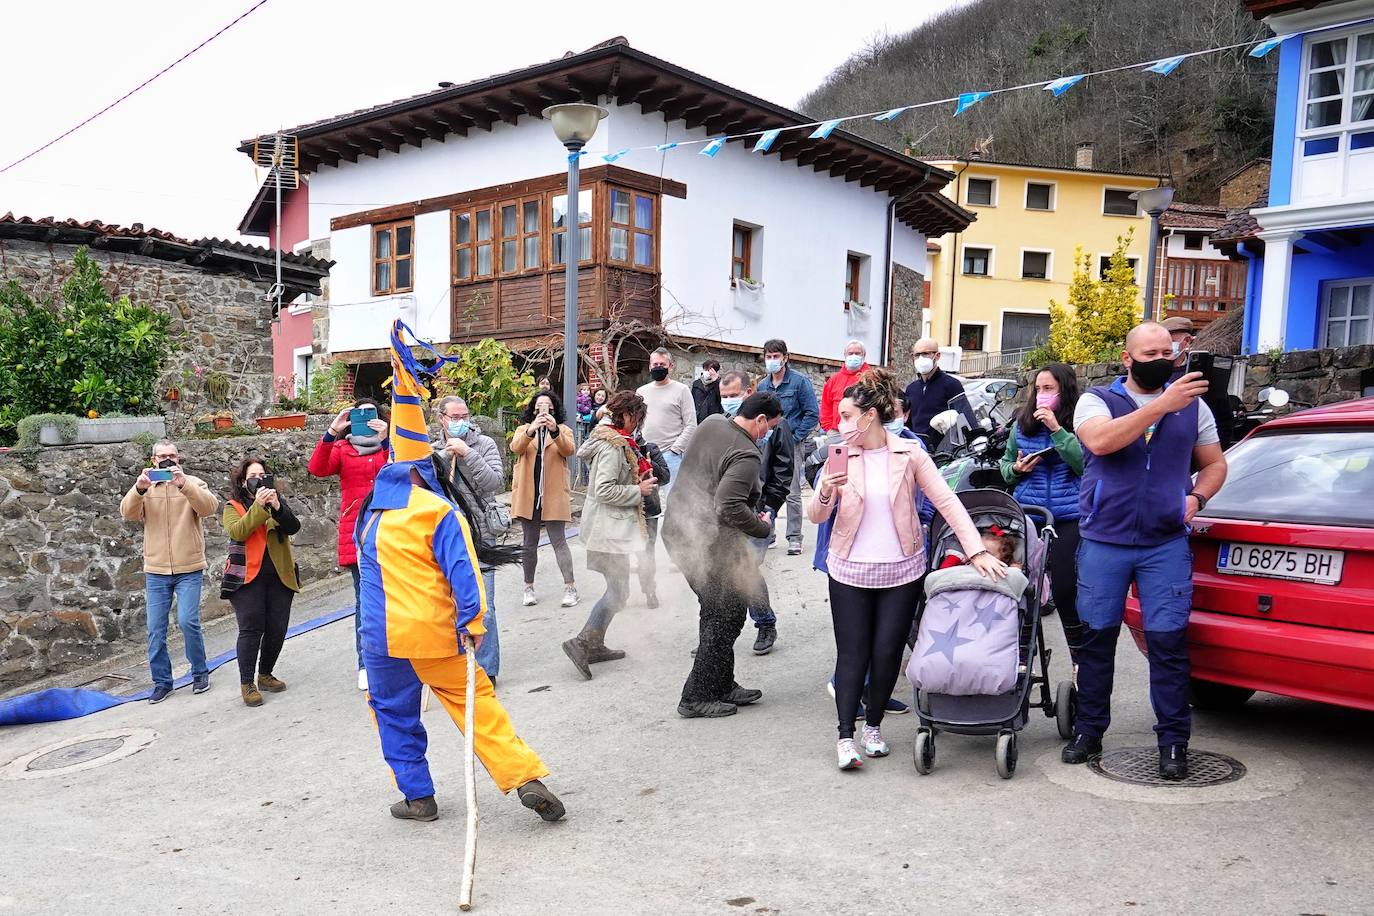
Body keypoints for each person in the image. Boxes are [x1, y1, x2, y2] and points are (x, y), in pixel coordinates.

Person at [359, 319, 563, 825]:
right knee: (479, 709)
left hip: (380, 638)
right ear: (426, 471)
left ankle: (418, 796)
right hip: (435, 634)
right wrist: (473, 625)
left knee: (392, 716)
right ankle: (524, 777)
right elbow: (466, 577)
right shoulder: (439, 511)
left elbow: (364, 586)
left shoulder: (369, 517)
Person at [807, 370, 1006, 770]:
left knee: (887, 653)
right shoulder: (840, 455)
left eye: (848, 416)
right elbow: (816, 516)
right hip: (849, 571)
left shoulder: (910, 453)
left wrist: (975, 551)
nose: (841, 425)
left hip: (902, 572)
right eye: (840, 417)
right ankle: (846, 737)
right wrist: (826, 485)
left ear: (871, 416)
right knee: (853, 654)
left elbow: (948, 501)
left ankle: (874, 728)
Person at [1062, 322, 1228, 780]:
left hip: (1164, 543)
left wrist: (1197, 499)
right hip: (1104, 542)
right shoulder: (1096, 400)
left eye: (1167, 352)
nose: (1161, 359)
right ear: (1128, 357)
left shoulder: (1193, 408)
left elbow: (1214, 463)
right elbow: (1100, 441)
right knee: (1097, 641)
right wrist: (1161, 405)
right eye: (1149, 352)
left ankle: (1174, 742)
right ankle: (1089, 731)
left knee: (1169, 645)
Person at [663, 392, 781, 718]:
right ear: (759, 420)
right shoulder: (746, 454)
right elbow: (727, 505)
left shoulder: (713, 422)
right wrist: (761, 529)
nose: (767, 435)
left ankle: (722, 684)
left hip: (679, 532)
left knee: (717, 610)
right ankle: (695, 696)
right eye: (769, 428)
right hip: (706, 543)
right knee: (725, 615)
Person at [562, 390, 660, 677]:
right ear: (627, 415)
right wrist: (637, 491)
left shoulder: (618, 442)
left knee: (618, 591)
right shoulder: (612, 447)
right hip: (607, 531)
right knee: (618, 591)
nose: (638, 425)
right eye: (637, 418)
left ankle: (595, 643)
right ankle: (581, 643)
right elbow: (603, 489)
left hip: (609, 529)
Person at [119, 439, 219, 704]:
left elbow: (209, 508)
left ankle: (199, 672)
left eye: (172, 456)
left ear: (179, 458)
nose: (167, 460)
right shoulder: (145, 486)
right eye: (162, 456)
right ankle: (162, 682)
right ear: (153, 460)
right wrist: (139, 489)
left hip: (189, 567)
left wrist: (183, 484)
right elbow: (128, 513)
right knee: (155, 628)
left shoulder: (192, 482)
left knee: (188, 621)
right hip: (156, 569)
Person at [999, 363, 1086, 664]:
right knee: (1021, 588)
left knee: (1065, 588)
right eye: (1038, 389)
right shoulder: (1021, 424)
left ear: (1065, 391)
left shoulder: (1080, 422)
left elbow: (1084, 465)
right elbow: (1006, 467)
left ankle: (1078, 660)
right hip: (1029, 514)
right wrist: (1016, 469)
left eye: (1049, 389)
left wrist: (1057, 431)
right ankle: (1020, 658)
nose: (1041, 395)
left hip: (1067, 515)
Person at [308, 398, 390, 691]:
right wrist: (332, 431)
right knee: (364, 600)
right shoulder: (342, 448)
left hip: (390, 529)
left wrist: (385, 439)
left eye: (371, 414)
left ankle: (400, 655)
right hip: (357, 534)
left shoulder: (387, 445)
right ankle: (366, 663)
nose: (365, 419)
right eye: (359, 415)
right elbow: (317, 468)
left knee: (398, 595)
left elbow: (399, 470)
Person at [433, 397, 506, 680]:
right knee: (452, 606)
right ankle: (458, 665)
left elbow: (494, 482)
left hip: (482, 534)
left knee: (484, 606)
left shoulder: (484, 444)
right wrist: (441, 459)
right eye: (454, 416)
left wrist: (468, 454)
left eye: (464, 415)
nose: (461, 420)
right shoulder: (433, 451)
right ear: (442, 419)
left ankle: (486, 669)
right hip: (450, 537)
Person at [719, 370, 791, 655]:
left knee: (745, 567)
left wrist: (770, 506)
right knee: (725, 569)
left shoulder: (775, 426)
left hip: (759, 509)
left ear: (748, 392)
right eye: (724, 397)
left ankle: (765, 623)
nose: (728, 402)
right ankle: (717, 628)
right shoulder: (727, 425)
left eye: (733, 396)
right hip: (730, 510)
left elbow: (783, 471)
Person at [221, 457, 301, 707]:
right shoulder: (232, 506)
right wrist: (258, 506)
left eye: (262, 475)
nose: (258, 480)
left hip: (279, 575)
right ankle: (247, 682)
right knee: (251, 628)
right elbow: (238, 531)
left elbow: (292, 527)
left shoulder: (277, 503)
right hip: (247, 577)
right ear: (244, 482)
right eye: (252, 476)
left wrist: (277, 506)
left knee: (278, 627)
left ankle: (265, 673)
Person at [510, 391, 578, 609]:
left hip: (554, 494)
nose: (543, 410)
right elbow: (516, 448)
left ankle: (570, 587)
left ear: (555, 410)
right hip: (528, 495)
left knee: (559, 541)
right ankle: (528, 587)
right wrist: (531, 430)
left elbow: (569, 450)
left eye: (548, 407)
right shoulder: (523, 430)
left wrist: (554, 430)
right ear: (533, 410)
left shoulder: (563, 430)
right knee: (529, 544)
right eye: (539, 407)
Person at [756, 338, 819, 556]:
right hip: (767, 443)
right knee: (764, 488)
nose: (772, 360)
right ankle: (768, 532)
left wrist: (795, 437)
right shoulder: (763, 385)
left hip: (791, 443)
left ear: (785, 357)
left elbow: (812, 414)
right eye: (768, 356)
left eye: (776, 356)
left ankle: (794, 537)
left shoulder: (800, 382)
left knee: (791, 491)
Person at [637, 348, 697, 493]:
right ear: (649, 366)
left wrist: (675, 450)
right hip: (646, 455)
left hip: (671, 456)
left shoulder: (682, 390)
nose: (658, 367)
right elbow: (636, 423)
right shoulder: (641, 392)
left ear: (671, 366)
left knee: (673, 502)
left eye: (662, 364)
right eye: (655, 364)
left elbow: (691, 425)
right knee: (649, 503)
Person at [905, 337, 964, 450]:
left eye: (926, 354)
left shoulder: (952, 385)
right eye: (917, 355)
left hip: (943, 453)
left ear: (937, 356)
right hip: (917, 450)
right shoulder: (911, 389)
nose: (920, 358)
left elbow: (964, 418)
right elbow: (908, 423)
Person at [819, 339, 870, 433]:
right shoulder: (833, 380)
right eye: (850, 353)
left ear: (864, 355)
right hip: (836, 432)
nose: (854, 356)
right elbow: (826, 406)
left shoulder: (871, 379)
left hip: (863, 432)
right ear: (845, 356)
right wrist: (829, 428)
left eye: (857, 353)